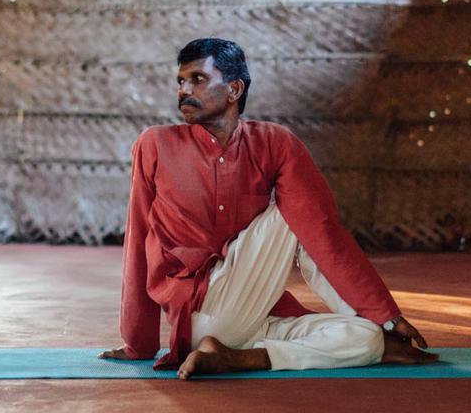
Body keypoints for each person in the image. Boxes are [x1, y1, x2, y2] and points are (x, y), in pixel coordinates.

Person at [100, 37, 437, 380]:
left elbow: (323, 237)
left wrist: (380, 321)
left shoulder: (274, 142)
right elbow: (139, 236)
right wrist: (138, 343)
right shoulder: (156, 143)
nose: (184, 90)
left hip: (257, 313)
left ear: (234, 89)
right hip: (203, 310)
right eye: (181, 81)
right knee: (298, 216)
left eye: (197, 79)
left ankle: (237, 358)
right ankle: (372, 329)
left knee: (364, 339)